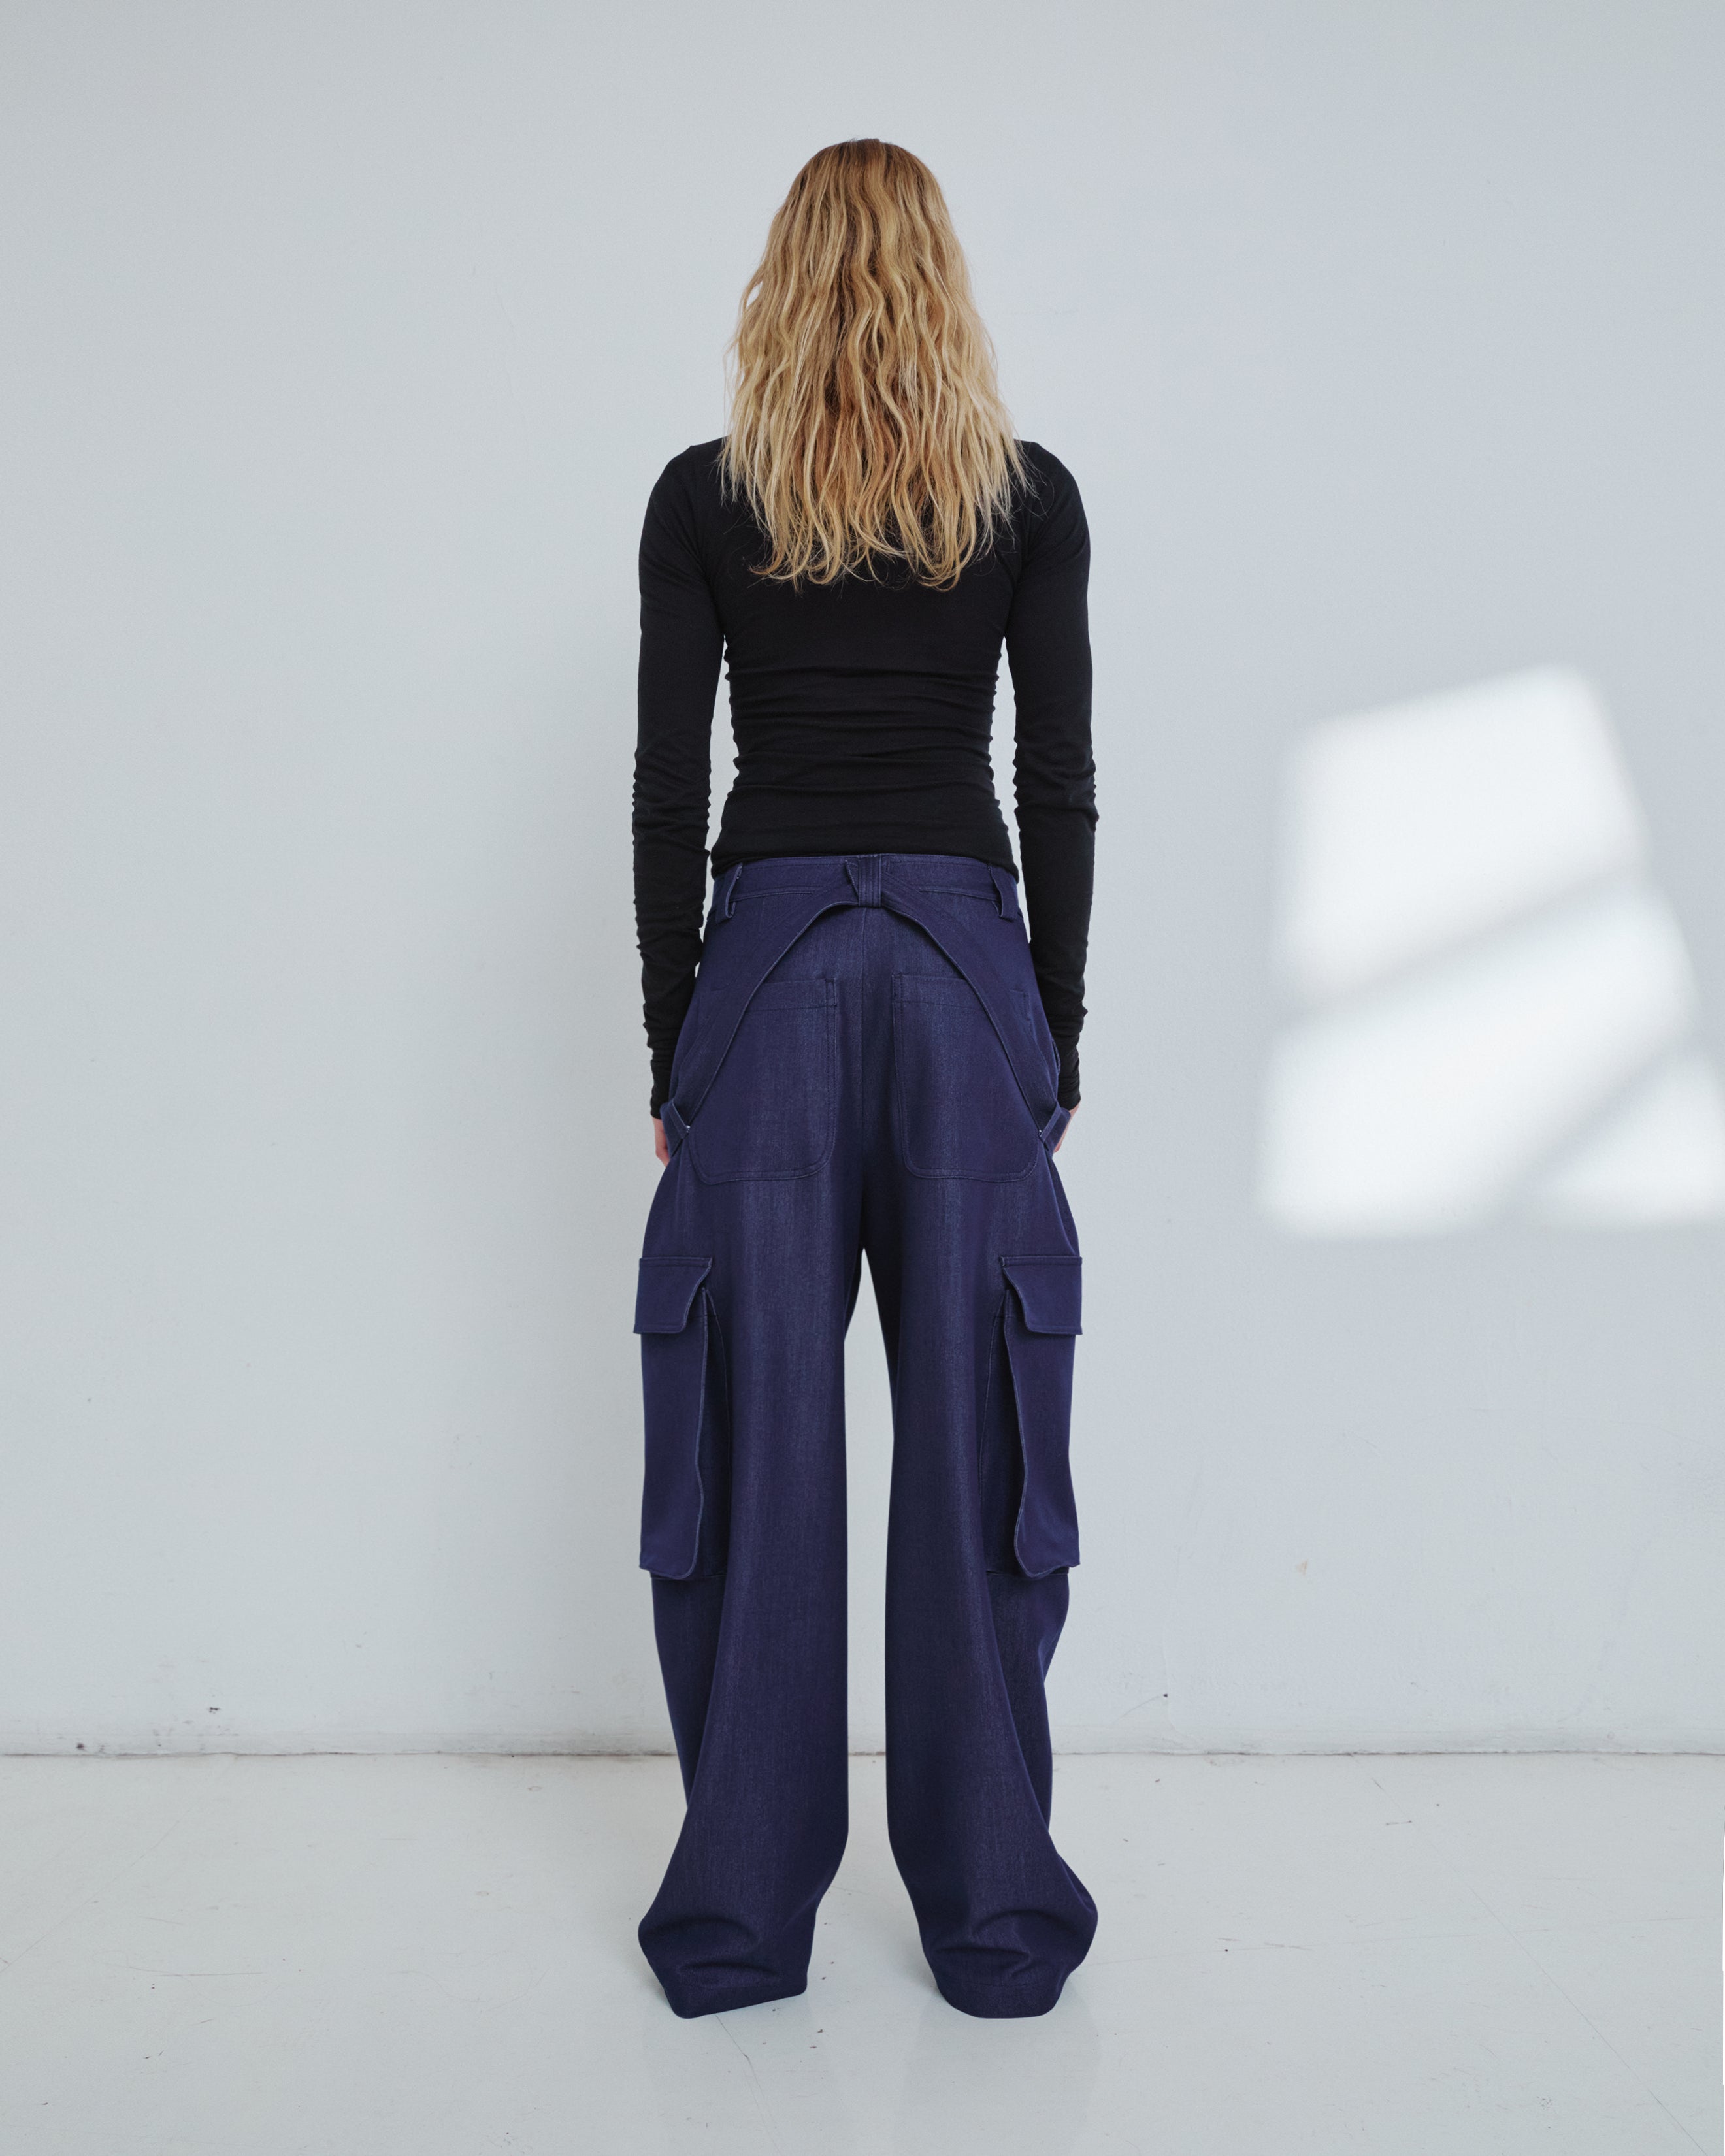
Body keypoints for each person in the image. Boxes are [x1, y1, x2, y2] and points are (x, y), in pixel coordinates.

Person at [629, 138, 1097, 2021]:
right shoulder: (1025, 497)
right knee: (982, 1444)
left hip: (767, 971)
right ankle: (993, 1930)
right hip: (964, 967)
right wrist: (1052, 1031)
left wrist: (677, 1040)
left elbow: (668, 792)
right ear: (942, 280)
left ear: (784, 277)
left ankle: (740, 1931)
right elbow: (1057, 779)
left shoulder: (704, 496)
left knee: (752, 1450)